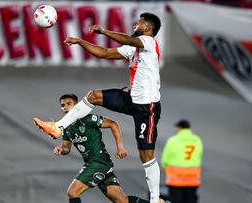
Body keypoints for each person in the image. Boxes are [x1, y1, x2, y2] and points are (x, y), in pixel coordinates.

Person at [33, 12, 163, 203]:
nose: (136, 23)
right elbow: (103, 53)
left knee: (146, 155)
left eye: (140, 22)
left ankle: (155, 200)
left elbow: (127, 38)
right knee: (94, 95)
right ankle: (58, 127)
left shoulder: (149, 42)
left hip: (147, 106)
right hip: (131, 99)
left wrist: (103, 31)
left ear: (148, 28)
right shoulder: (132, 49)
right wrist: (80, 41)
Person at [42, 94, 167, 203]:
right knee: (121, 201)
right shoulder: (67, 127)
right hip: (96, 163)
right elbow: (66, 148)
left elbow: (113, 124)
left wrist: (120, 147)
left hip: (98, 162)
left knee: (72, 193)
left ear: (77, 105)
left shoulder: (87, 118)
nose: (65, 107)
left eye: (69, 104)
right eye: (63, 105)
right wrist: (60, 150)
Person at [161, 119, 203, 203]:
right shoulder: (197, 140)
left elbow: (165, 160)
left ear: (179, 128)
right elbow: (199, 156)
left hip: (176, 179)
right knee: (190, 200)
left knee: (176, 200)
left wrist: (168, 170)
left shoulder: (173, 140)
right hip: (193, 178)